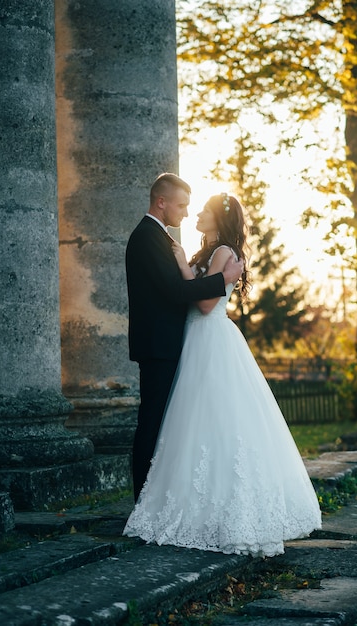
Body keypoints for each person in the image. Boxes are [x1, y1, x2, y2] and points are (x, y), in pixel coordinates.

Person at [124, 193, 322, 557]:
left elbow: (204, 302)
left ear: (219, 217)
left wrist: (184, 265)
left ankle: (228, 511)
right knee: (191, 423)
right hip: (192, 338)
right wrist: (188, 265)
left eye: (203, 210)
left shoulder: (224, 253)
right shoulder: (207, 252)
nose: (196, 213)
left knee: (217, 419)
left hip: (210, 336)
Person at [126, 174, 243, 502]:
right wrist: (224, 280)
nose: (187, 213)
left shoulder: (160, 236)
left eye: (193, 207)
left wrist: (222, 278)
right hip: (159, 345)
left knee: (170, 422)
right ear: (161, 202)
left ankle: (160, 498)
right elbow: (177, 290)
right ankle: (144, 499)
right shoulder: (148, 237)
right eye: (181, 205)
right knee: (153, 423)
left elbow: (186, 293)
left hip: (178, 342)